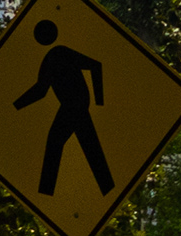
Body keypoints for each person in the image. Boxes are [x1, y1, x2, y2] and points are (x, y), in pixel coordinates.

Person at [7, 19, 114, 198]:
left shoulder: (60, 53)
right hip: (72, 106)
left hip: (75, 105)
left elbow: (95, 66)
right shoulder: (51, 57)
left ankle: (46, 192)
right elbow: (41, 90)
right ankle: (107, 188)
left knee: (56, 143)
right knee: (89, 147)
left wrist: (99, 101)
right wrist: (15, 106)